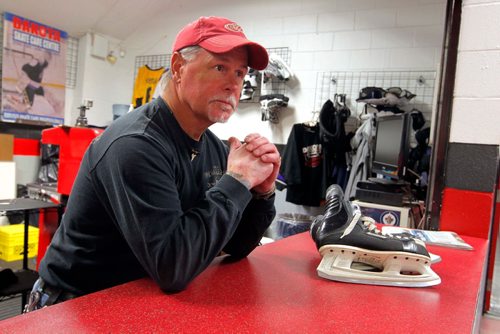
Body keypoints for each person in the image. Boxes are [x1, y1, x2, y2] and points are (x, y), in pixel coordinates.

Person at [25, 16, 280, 312]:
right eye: (220, 67)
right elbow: (173, 267)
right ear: (178, 67)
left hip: (141, 294)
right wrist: (235, 181)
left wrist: (261, 192)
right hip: (75, 303)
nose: (232, 86)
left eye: (239, 73)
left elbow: (233, 246)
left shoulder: (211, 147)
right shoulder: (136, 145)